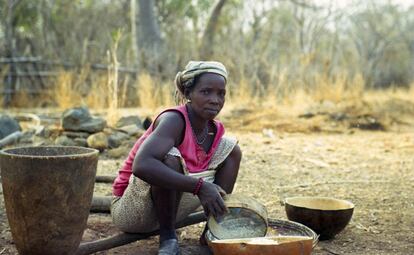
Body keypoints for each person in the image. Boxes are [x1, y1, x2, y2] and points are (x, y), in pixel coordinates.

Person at [111, 61, 242, 255]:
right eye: (206, 92)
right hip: (133, 211)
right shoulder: (173, 120)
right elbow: (142, 165)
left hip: (173, 208)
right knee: (170, 157)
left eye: (220, 93)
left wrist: (202, 188)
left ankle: (212, 232)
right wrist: (200, 187)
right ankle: (168, 238)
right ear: (188, 94)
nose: (215, 100)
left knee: (232, 149)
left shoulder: (214, 130)